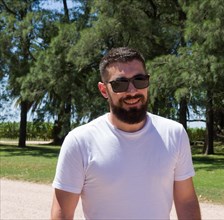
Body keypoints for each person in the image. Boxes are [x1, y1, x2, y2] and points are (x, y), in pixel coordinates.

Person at [51, 47, 201, 220]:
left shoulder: (174, 134)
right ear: (103, 90)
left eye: (139, 80)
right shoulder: (79, 141)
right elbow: (62, 213)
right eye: (120, 84)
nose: (132, 91)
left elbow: (186, 201)